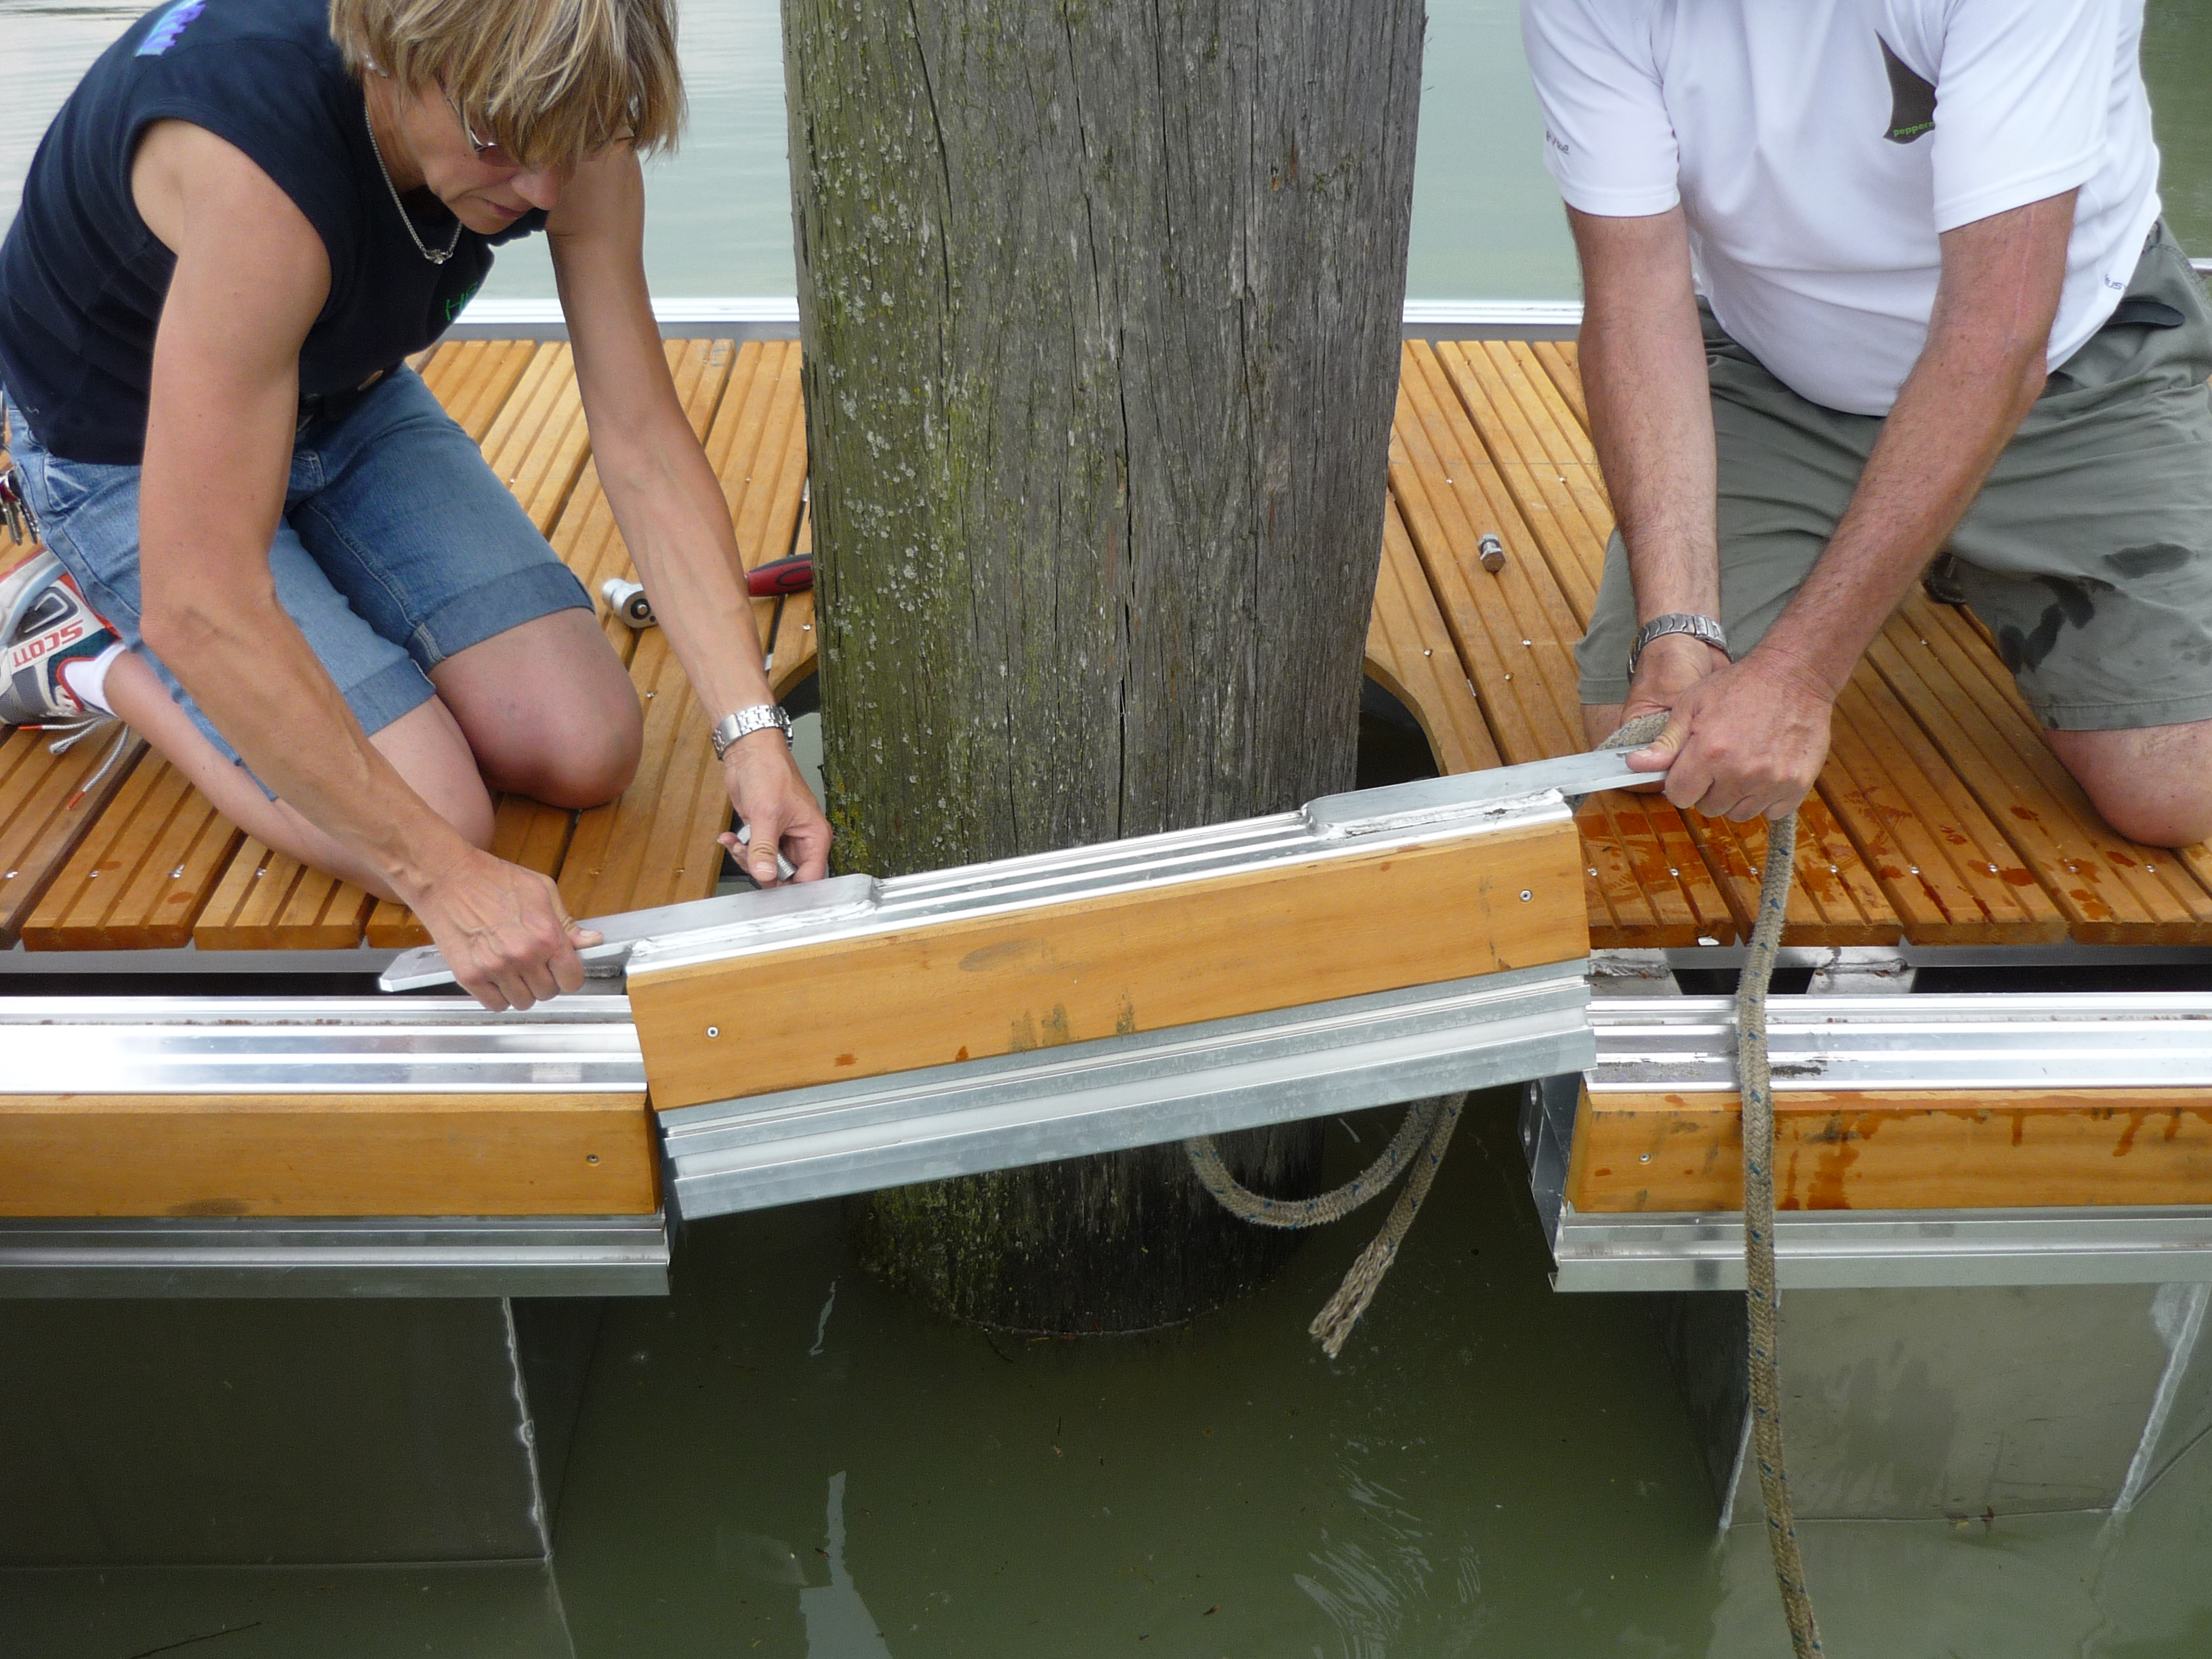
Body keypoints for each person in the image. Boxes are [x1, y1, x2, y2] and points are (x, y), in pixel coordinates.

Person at [0, 0, 831, 1009]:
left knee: (587, 744)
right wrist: (443, 878)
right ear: (396, 55)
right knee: (436, 812)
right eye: (502, 146)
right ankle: (84, 655)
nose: (541, 192)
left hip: (337, 391)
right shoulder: (254, 169)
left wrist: (752, 735)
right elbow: (204, 600)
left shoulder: (559, 114)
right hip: (120, 446)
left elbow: (643, 439)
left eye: (573, 150)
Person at [1522, 0, 2212, 846]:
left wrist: (1798, 677)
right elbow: (1635, 301)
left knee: (2177, 793)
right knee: (1655, 752)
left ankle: (1969, 544)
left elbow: (1997, 334)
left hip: (2067, 362)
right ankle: (1934, 546)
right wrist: (1678, 625)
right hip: (1782, 365)